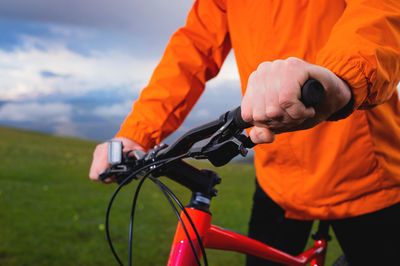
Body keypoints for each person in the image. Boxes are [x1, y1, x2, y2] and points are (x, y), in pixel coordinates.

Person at [89, 0, 400, 265]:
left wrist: (341, 79)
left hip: (366, 176)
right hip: (277, 174)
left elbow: (379, 11)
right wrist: (136, 133)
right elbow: (192, 50)